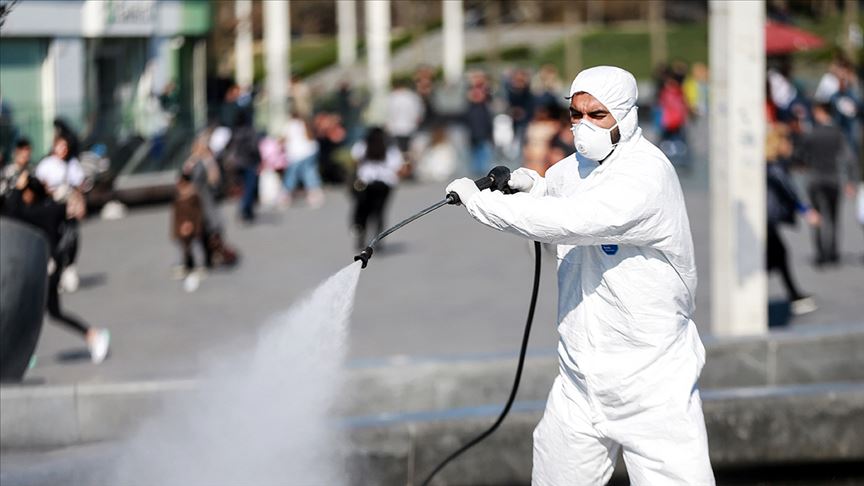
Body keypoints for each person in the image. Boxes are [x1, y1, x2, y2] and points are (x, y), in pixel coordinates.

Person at [446, 66, 714, 485]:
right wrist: (530, 187)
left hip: (650, 382)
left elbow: (576, 219)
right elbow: (557, 214)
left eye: (598, 115)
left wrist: (484, 206)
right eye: (576, 114)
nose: (583, 125)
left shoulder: (647, 175)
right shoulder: (568, 171)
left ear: (626, 115)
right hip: (579, 378)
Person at [3, 173, 109, 363]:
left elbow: (14, 213)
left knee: (45, 312)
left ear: (30, 193)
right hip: (49, 267)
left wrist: (18, 189)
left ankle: (92, 335)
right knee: (47, 312)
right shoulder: (51, 207)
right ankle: (24, 353)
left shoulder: (37, 212)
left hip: (46, 270)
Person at [797, 103, 860, 266]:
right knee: (833, 218)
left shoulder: (811, 134)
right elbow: (850, 158)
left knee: (817, 216)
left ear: (820, 112)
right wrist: (851, 181)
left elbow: (800, 156)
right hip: (834, 179)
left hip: (815, 179)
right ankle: (832, 253)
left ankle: (820, 254)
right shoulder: (838, 133)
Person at [767, 124, 819, 314]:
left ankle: (794, 295)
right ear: (779, 143)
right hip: (767, 221)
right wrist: (806, 210)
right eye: (788, 142)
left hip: (767, 221)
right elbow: (789, 190)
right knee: (777, 256)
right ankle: (794, 296)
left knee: (778, 256)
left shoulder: (771, 164)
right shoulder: (774, 167)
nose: (790, 146)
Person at [35, 134, 86, 293]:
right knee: (54, 238)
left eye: (65, 146)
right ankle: (54, 270)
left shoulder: (72, 164)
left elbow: (78, 187)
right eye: (60, 146)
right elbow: (40, 187)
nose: (63, 150)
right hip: (52, 207)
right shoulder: (47, 164)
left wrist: (80, 205)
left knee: (71, 236)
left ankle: (68, 267)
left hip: (69, 207)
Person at [349, 127, 404, 250]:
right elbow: (399, 168)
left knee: (363, 210)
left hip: (365, 183)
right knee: (379, 212)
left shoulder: (363, 145)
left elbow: (355, 159)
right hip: (385, 184)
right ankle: (378, 240)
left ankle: (360, 234)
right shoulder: (391, 149)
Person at [225, 111, 260, 222]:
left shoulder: (234, 132)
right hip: (249, 162)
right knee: (249, 187)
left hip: (237, 164)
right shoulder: (250, 131)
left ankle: (247, 210)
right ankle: (245, 209)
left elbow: (227, 146)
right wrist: (259, 159)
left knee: (243, 188)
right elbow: (255, 148)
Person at [172, 173, 205, 292]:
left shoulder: (193, 196)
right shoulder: (178, 196)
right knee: (180, 248)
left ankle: (199, 266)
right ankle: (181, 266)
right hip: (179, 227)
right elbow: (176, 215)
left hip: (192, 227)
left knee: (196, 247)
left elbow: (196, 214)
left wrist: (190, 225)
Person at [283, 112, 323, 208]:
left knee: (292, 173)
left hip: (297, 153)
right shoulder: (304, 123)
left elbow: (285, 138)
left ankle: (286, 193)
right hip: (310, 150)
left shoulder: (291, 125)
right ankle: (314, 192)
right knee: (309, 171)